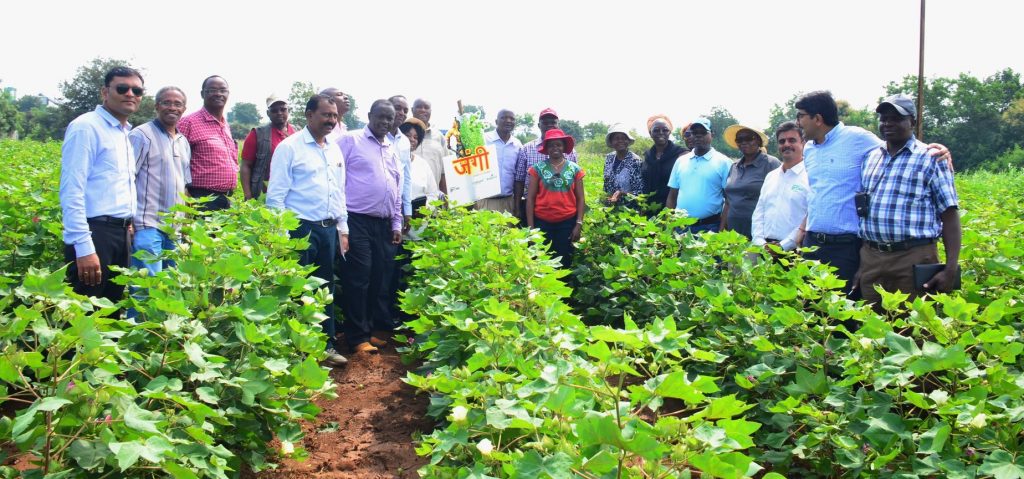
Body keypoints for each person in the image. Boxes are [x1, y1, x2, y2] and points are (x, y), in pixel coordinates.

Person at [796, 90, 950, 296]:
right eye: (884, 119)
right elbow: (818, 193)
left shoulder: (857, 138)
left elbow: (898, 147)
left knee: (844, 315)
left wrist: (941, 151)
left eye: (800, 116)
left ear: (817, 119)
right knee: (811, 307)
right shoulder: (809, 149)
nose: (797, 122)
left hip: (846, 246)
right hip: (814, 244)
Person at [266, 94, 350, 367]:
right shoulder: (289, 148)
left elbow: (339, 191)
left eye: (334, 116)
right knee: (296, 291)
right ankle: (296, 353)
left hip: (327, 229)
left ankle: (325, 346)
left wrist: (343, 227)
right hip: (298, 229)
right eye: (326, 115)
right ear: (309, 114)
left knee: (325, 290)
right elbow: (275, 196)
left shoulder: (334, 150)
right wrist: (281, 236)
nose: (331, 120)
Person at [853, 94, 961, 306]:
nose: (887, 124)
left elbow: (950, 216)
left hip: (913, 258)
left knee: (913, 329)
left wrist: (950, 269)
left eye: (896, 118)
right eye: (884, 119)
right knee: (872, 330)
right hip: (871, 257)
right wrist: (862, 265)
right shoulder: (871, 157)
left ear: (912, 121)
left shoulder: (931, 157)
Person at [59, 66, 142, 305]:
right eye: (122, 88)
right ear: (105, 92)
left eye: (136, 90)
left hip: (120, 233)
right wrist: (83, 247)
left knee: (109, 312)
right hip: (95, 234)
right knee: (82, 313)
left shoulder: (124, 132)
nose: (130, 94)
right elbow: (72, 190)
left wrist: (128, 225)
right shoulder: (87, 127)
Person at [335, 100, 403, 354]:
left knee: (379, 278)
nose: (385, 122)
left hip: (384, 223)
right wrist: (341, 221)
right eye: (381, 117)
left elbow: (396, 189)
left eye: (390, 118)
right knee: (359, 277)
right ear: (369, 116)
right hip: (357, 219)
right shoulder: (351, 141)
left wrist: (396, 222)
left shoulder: (391, 148)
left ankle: (369, 329)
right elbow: (336, 176)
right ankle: (356, 337)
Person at [128, 86, 191, 276]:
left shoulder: (183, 141)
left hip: (175, 229)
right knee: (146, 289)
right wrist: (129, 221)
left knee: (170, 289)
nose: (172, 108)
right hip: (147, 225)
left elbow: (185, 186)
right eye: (167, 103)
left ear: (184, 109)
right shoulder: (141, 135)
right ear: (157, 106)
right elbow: (127, 178)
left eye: (177, 104)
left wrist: (187, 223)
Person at [526, 129, 586, 269]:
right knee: (542, 260)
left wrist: (579, 224)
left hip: (567, 223)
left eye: (558, 145)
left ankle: (563, 289)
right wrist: (531, 228)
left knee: (564, 260)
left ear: (564, 147)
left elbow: (581, 199)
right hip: (542, 222)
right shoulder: (537, 169)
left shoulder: (575, 169)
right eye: (551, 145)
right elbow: (530, 199)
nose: (555, 148)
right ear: (546, 149)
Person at [178, 75, 238, 211]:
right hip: (201, 198)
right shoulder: (188, 122)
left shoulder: (225, 124)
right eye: (212, 90)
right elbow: (176, 161)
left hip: (227, 199)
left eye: (223, 90)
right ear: (202, 94)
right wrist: (184, 194)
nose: (218, 94)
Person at [665, 118, 733, 233]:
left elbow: (729, 200)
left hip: (709, 228)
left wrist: (721, 231)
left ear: (712, 134)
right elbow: (672, 196)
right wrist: (669, 227)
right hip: (680, 227)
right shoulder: (681, 161)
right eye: (695, 133)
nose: (698, 136)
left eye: (703, 133)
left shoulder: (724, 162)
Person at [751, 121, 809, 252]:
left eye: (792, 140)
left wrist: (784, 246)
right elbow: (759, 212)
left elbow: (810, 215)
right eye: (782, 141)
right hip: (764, 249)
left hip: (795, 250)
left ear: (803, 143)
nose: (786, 144)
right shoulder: (771, 176)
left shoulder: (810, 176)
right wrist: (760, 243)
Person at [513, 108, 579, 222]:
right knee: (535, 238)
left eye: (553, 122)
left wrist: (578, 218)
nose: (549, 125)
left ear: (558, 124)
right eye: (545, 123)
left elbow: (576, 182)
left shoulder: (571, 151)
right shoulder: (527, 149)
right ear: (539, 125)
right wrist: (517, 207)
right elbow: (519, 180)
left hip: (563, 208)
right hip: (531, 206)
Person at [722, 124, 781, 238]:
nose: (744, 142)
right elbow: (728, 202)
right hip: (733, 233)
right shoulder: (734, 166)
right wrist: (722, 230)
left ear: (758, 141)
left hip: (759, 234)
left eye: (749, 138)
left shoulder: (771, 164)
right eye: (740, 139)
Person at [240, 95, 299, 200]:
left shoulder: (297, 132)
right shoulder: (257, 134)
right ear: (268, 113)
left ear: (288, 110)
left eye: (283, 109)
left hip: (292, 193)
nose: (279, 113)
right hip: (264, 192)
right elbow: (246, 166)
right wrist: (247, 195)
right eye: (274, 110)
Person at [476, 109, 521, 213]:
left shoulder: (517, 145)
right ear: (496, 122)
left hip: (508, 202)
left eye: (512, 119)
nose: (508, 120)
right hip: (485, 201)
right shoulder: (483, 140)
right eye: (504, 118)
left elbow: (518, 176)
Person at [641, 115, 689, 212]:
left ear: (669, 132)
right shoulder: (647, 156)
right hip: (649, 208)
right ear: (650, 133)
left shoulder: (681, 154)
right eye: (656, 130)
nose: (661, 133)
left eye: (665, 130)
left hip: (672, 209)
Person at [399, 117, 441, 224]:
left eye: (416, 137)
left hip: (419, 226)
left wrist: (425, 209)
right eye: (407, 135)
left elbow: (433, 193)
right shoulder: (390, 160)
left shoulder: (423, 164)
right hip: (395, 226)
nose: (412, 139)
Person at [386, 95, 414, 232]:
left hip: (395, 212)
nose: (402, 113)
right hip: (367, 212)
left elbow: (406, 178)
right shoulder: (369, 138)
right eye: (398, 108)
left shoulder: (404, 141)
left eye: (405, 110)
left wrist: (407, 211)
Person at [411, 98, 448, 192]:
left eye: (426, 107)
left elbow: (444, 172)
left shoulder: (439, 137)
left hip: (434, 198)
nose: (423, 110)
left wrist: (446, 200)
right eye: (419, 107)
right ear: (412, 110)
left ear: (430, 111)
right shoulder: (402, 134)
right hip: (410, 197)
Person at [603, 124, 644, 205]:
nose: (620, 141)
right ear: (611, 142)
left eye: (624, 138)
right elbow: (606, 185)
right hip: (609, 208)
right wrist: (605, 198)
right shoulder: (609, 158)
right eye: (616, 138)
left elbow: (640, 192)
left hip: (628, 211)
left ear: (628, 141)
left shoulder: (635, 161)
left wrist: (622, 193)